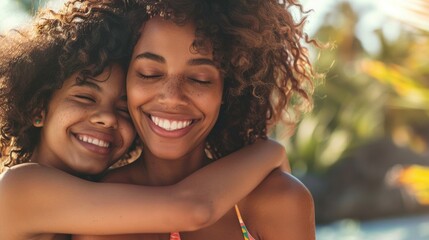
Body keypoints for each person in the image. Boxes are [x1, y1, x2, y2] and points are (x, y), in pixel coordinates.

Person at [0, 1, 287, 239]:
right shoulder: (20, 187)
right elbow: (193, 208)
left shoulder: (95, 192)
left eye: (123, 109)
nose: (106, 119)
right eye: (85, 98)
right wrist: (269, 151)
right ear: (38, 108)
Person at [76, 0, 316, 239]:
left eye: (200, 79)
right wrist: (272, 151)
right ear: (125, 80)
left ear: (228, 89)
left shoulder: (278, 200)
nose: (172, 97)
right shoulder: (90, 206)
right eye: (150, 73)